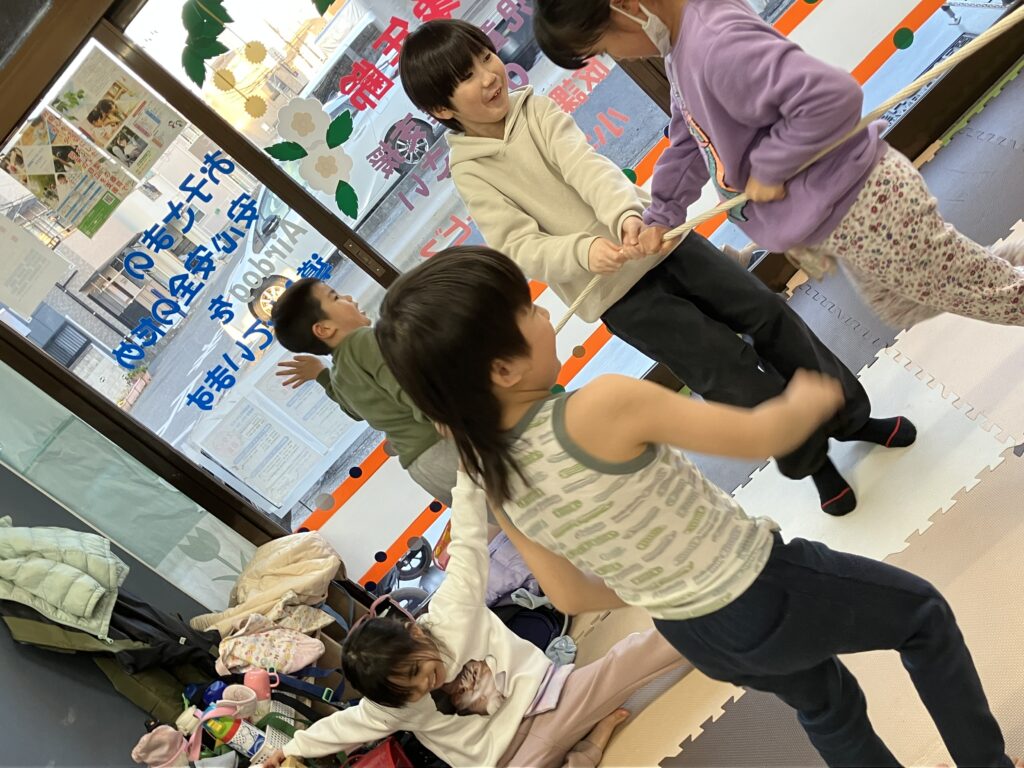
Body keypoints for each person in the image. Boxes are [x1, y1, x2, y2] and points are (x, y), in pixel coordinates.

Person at [374, 246, 1015, 768]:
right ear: (501, 371)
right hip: (762, 589)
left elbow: (567, 594)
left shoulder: (492, 473)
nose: (545, 313)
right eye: (527, 310)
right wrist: (809, 395)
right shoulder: (601, 405)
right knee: (923, 618)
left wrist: (663, 581)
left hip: (692, 633)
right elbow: (762, 435)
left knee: (827, 706)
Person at [398, 19, 915, 516]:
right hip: (616, 294)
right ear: (442, 108)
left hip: (660, 242)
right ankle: (812, 461)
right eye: (467, 77)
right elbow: (518, 245)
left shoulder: (536, 109)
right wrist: (584, 252)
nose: (488, 76)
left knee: (768, 314)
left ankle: (852, 419)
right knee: (724, 369)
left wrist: (626, 217)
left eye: (485, 58)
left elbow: (589, 168)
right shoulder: (470, 172)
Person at [531, 0, 1024, 332]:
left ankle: (991, 276)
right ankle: (990, 268)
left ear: (624, 7)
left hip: (863, 204)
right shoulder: (680, 48)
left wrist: (768, 168)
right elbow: (689, 137)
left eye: (602, 48)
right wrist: (661, 215)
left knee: (986, 293)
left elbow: (831, 97)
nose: (615, 57)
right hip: (841, 215)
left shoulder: (713, 43)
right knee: (907, 302)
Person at [261, 470, 686, 768]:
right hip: (511, 760)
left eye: (419, 672)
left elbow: (466, 544)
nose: (426, 686)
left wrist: (467, 477)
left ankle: (704, 619)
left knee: (626, 661)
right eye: (410, 692)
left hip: (556, 699)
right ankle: (588, 751)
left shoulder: (452, 613)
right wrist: (292, 748)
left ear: (415, 633)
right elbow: (344, 726)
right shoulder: (390, 707)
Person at [271, 277, 458, 507]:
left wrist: (321, 375)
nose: (349, 298)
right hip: (444, 443)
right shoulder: (363, 341)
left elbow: (353, 410)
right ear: (324, 329)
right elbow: (403, 381)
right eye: (336, 297)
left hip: (424, 468)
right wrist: (440, 414)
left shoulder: (340, 375)